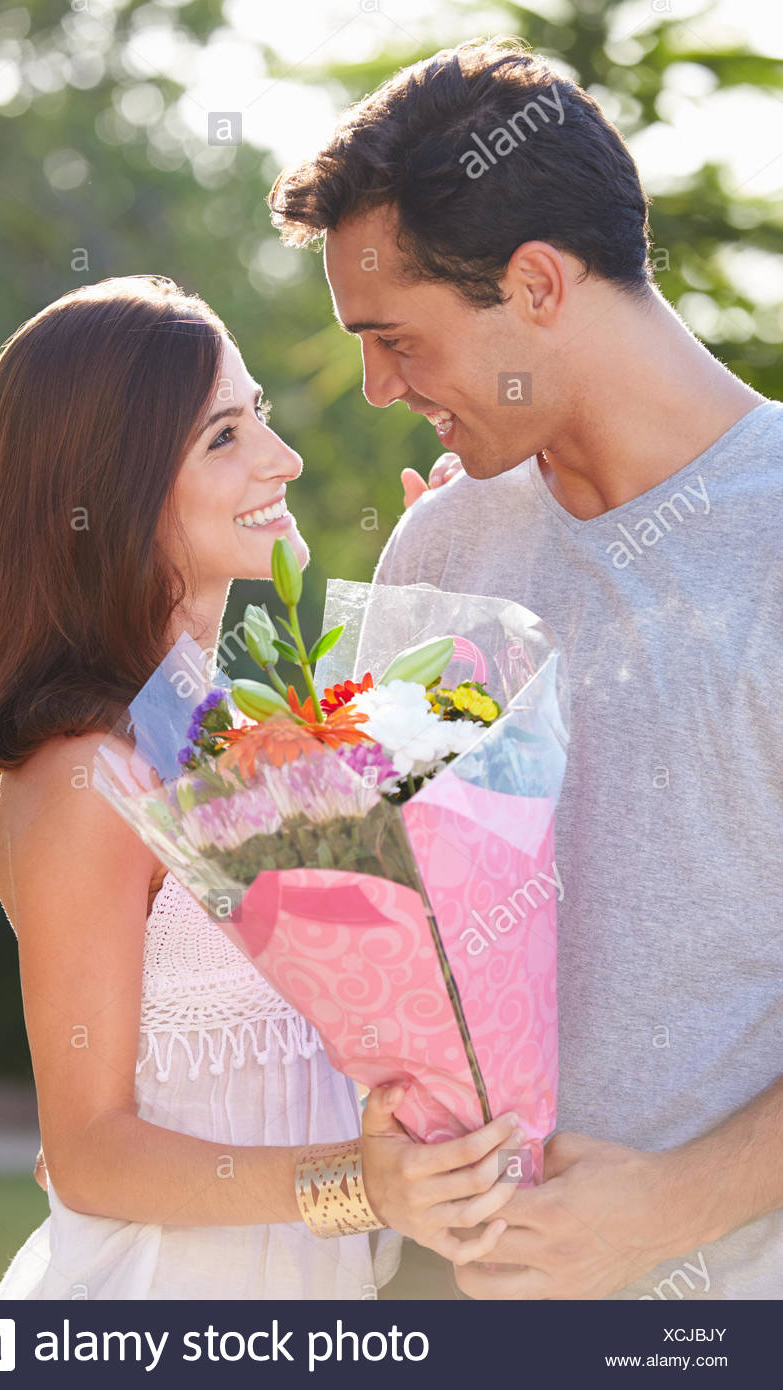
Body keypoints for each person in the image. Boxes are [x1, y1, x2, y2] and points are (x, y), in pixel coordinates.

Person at [269, 38, 783, 1299]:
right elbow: (398, 927)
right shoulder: (441, 541)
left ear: (538, 283)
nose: (379, 388)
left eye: (395, 339)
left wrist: (667, 1204)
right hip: (480, 1303)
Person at [0, 275, 521, 1300]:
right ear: (106, 490)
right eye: (223, 437)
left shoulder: (227, 733)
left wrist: (450, 627)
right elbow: (86, 1154)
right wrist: (355, 1187)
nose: (280, 460)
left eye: (260, 421)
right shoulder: (84, 778)